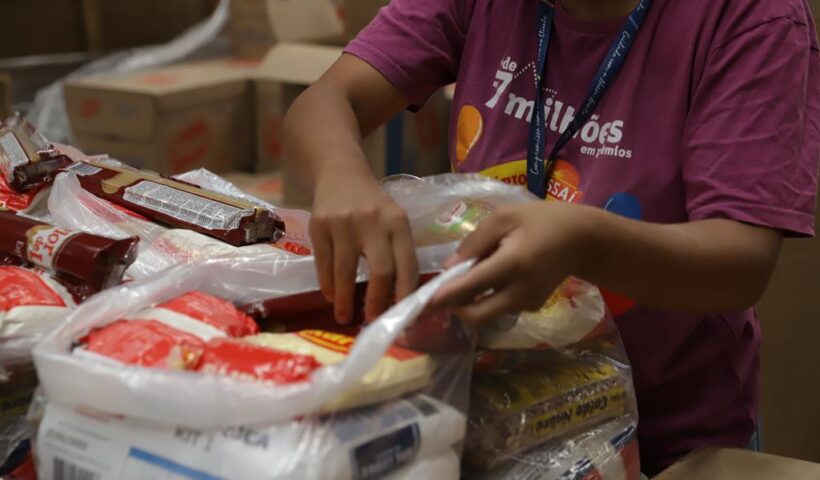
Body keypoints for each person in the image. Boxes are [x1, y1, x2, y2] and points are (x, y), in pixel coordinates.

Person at [283, 0, 820, 474]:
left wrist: (585, 243)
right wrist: (341, 177)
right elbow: (327, 101)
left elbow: (740, 261)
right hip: (504, 411)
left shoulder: (749, 17)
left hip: (673, 439)